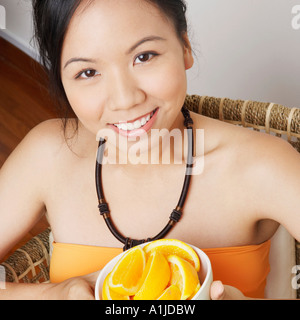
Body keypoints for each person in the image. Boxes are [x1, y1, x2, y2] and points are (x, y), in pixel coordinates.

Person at [0, 0, 300, 300]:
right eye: (88, 73)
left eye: (144, 56)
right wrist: (56, 295)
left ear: (185, 47)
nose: (125, 98)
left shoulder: (264, 166)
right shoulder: (47, 156)